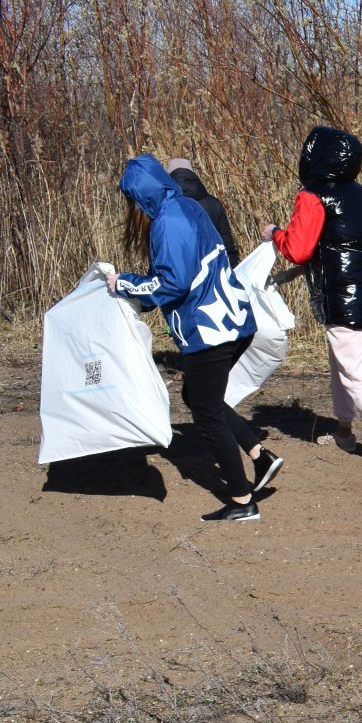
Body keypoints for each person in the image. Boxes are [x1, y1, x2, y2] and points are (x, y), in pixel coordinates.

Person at [101, 154, 281, 523]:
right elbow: (181, 272)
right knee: (199, 397)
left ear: (141, 198)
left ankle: (241, 497)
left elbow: (172, 283)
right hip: (234, 320)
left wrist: (125, 283)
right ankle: (260, 456)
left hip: (210, 330)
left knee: (206, 411)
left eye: (131, 202)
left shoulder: (167, 222)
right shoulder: (186, 205)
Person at [262, 125, 362, 479]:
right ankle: (344, 431)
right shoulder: (356, 192)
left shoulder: (313, 195)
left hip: (343, 292)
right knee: (341, 363)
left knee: (355, 370)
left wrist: (273, 235)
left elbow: (298, 248)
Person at [165, 156, 242, 266]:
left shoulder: (168, 207)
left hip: (183, 271)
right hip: (214, 269)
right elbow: (227, 243)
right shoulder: (214, 203)